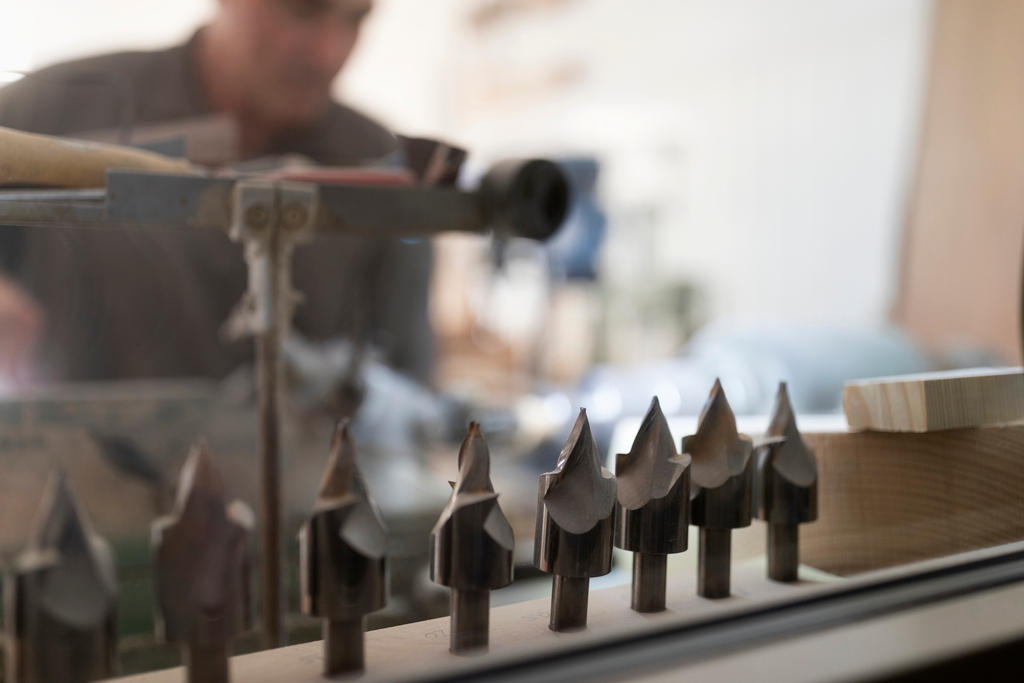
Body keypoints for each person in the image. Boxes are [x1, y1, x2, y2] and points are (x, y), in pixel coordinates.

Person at [0, 0, 436, 385]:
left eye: (357, 19)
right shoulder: (47, 111)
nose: (329, 52)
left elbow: (408, 384)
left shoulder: (382, 169)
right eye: (303, 9)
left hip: (308, 472)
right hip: (69, 462)